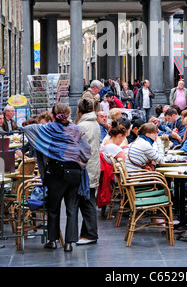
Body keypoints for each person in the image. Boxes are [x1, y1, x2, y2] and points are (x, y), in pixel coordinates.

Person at [23, 102, 91, 252]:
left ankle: (52, 240)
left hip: (56, 171)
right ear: (68, 114)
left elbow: (27, 128)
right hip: (74, 172)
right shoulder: (76, 129)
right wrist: (76, 158)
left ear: (53, 115)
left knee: (53, 208)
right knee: (72, 208)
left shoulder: (47, 128)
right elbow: (87, 151)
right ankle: (68, 243)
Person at [76, 98, 101, 245]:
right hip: (93, 165)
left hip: (86, 167)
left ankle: (91, 234)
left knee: (87, 201)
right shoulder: (94, 123)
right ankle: (86, 233)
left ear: (79, 111)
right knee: (88, 199)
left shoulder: (83, 125)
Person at [97, 121, 127, 210]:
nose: (122, 141)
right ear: (120, 136)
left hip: (112, 175)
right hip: (118, 177)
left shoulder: (105, 144)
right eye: (123, 138)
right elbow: (126, 162)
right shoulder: (114, 148)